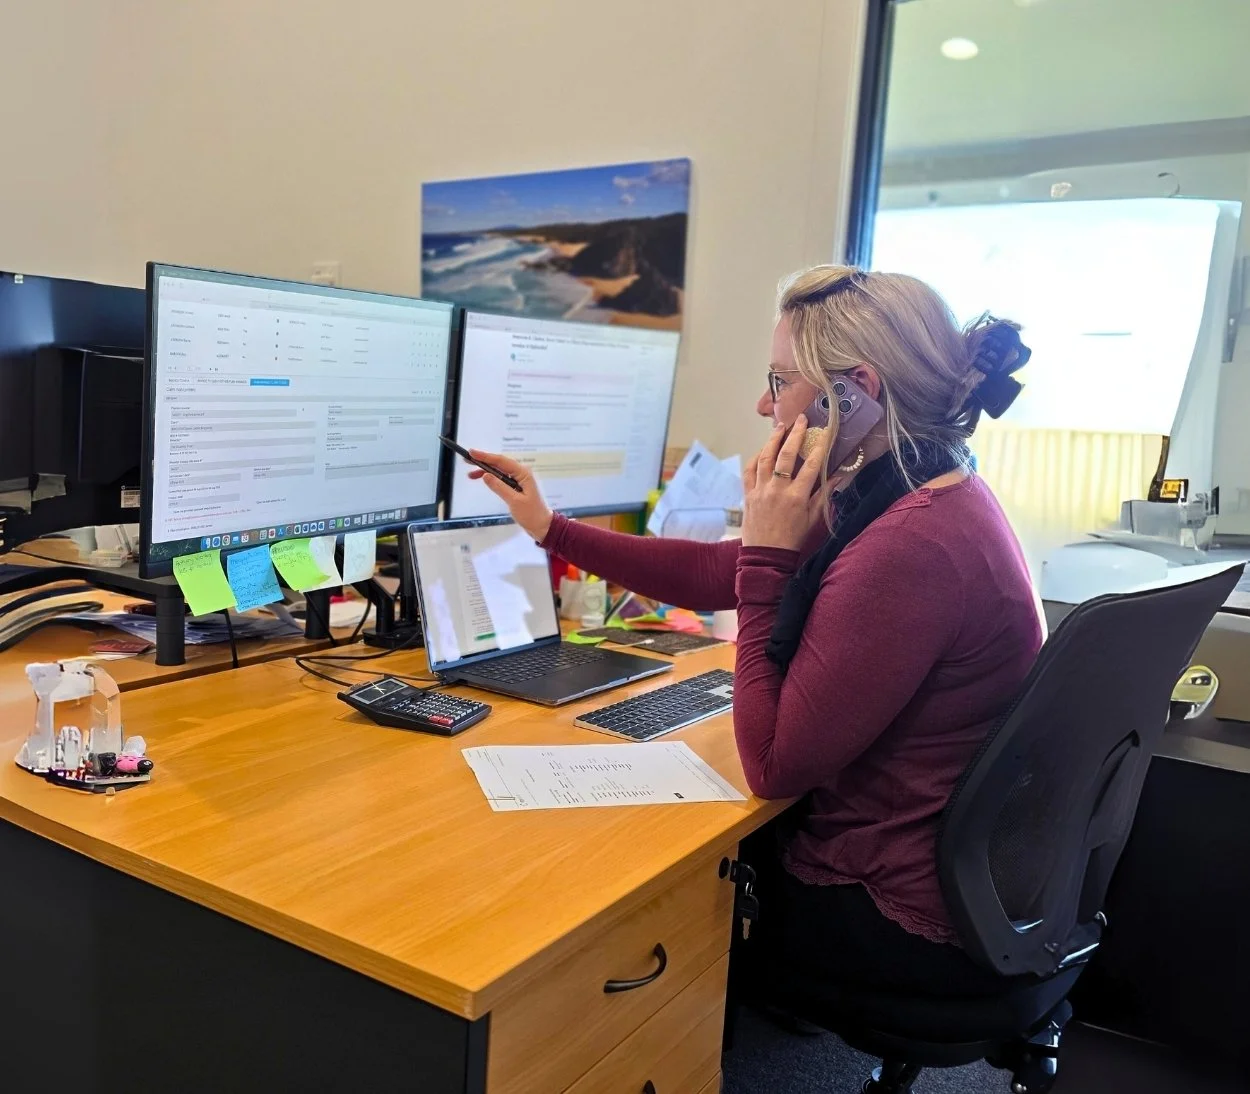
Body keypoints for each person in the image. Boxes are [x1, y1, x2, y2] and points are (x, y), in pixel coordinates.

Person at [468, 265, 1044, 998]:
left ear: (854, 394)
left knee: (606, 867)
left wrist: (771, 558)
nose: (763, 405)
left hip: (885, 901)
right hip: (947, 871)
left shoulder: (914, 545)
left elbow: (771, 765)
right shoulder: (915, 485)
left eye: (780, 382)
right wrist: (553, 530)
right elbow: (719, 572)